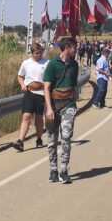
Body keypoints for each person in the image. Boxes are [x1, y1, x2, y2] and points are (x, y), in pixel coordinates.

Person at [43, 37, 80, 184]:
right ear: (67, 48)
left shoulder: (74, 65)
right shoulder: (52, 65)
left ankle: (64, 170)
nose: (76, 49)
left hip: (68, 105)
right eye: (74, 47)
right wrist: (49, 109)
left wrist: (74, 101)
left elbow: (74, 85)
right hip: (53, 105)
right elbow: (46, 87)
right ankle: (53, 169)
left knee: (66, 137)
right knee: (52, 140)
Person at [13, 42, 47, 152]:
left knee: (38, 119)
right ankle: (20, 141)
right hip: (29, 93)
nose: (39, 55)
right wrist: (22, 85)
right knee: (26, 116)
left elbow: (51, 78)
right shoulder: (26, 63)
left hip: (41, 94)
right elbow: (20, 76)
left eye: (40, 53)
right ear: (32, 53)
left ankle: (39, 138)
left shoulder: (47, 63)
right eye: (36, 53)